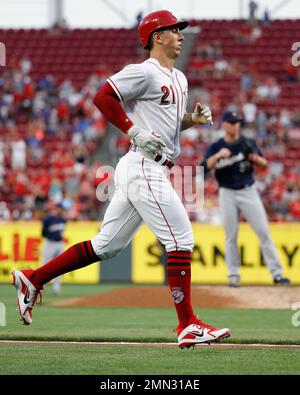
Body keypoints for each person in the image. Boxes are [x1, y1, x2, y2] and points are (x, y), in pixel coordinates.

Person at [12, 10, 230, 349]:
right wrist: (133, 130)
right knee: (181, 239)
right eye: (174, 30)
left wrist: (192, 121)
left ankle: (33, 278)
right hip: (144, 165)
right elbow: (103, 97)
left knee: (106, 246)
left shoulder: (181, 79)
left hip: (144, 166)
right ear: (157, 37)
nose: (181, 35)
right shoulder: (143, 72)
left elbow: (167, 125)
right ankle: (188, 324)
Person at [201, 111, 291, 287]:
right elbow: (202, 168)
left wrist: (256, 158)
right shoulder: (217, 146)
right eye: (232, 122)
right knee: (230, 236)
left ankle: (277, 274)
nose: (235, 125)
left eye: (237, 122)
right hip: (226, 192)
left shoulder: (247, 143)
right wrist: (218, 156)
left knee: (263, 232)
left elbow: (264, 164)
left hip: (248, 191)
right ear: (225, 125)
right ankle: (233, 275)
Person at [41, 203, 67, 295]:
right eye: (59, 208)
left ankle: (56, 288)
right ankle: (40, 287)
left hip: (59, 243)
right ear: (56, 209)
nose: (61, 210)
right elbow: (43, 232)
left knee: (59, 266)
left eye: (62, 209)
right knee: (45, 266)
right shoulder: (49, 219)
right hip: (49, 243)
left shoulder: (64, 219)